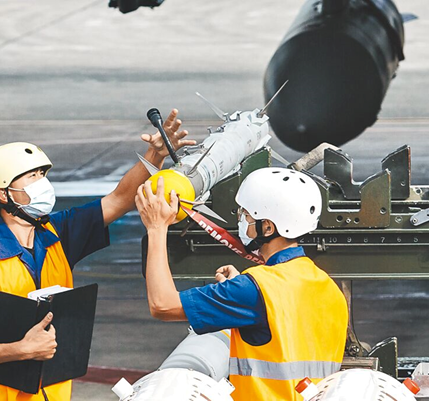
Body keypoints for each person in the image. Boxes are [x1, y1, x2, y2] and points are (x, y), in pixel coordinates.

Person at [0, 110, 195, 401]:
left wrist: (154, 156)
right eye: (32, 176)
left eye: (43, 174)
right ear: (3, 195)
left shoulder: (56, 233)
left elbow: (120, 199)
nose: (42, 182)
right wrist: (20, 349)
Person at [135, 167, 348, 400]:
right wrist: (242, 292)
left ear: (267, 227)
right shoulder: (328, 288)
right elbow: (286, 330)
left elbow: (163, 305)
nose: (241, 221)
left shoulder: (255, 289)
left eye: (246, 215)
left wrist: (156, 228)